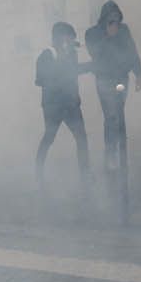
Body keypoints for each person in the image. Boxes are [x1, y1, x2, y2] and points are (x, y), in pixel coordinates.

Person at [83, 0, 141, 173]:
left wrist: (139, 74)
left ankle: (121, 151)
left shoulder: (124, 31)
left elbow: (132, 52)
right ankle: (110, 153)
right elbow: (95, 53)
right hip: (104, 80)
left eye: (117, 19)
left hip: (121, 79)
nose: (115, 23)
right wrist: (107, 37)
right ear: (104, 19)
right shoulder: (93, 33)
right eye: (111, 19)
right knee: (111, 117)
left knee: (119, 114)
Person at [35, 22, 91, 188]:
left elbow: (73, 71)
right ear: (58, 38)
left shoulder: (71, 54)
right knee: (49, 137)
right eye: (68, 37)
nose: (70, 41)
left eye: (71, 38)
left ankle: (85, 174)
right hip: (53, 106)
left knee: (81, 138)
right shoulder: (47, 55)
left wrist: (90, 66)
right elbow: (40, 79)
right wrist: (63, 64)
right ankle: (38, 172)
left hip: (71, 104)